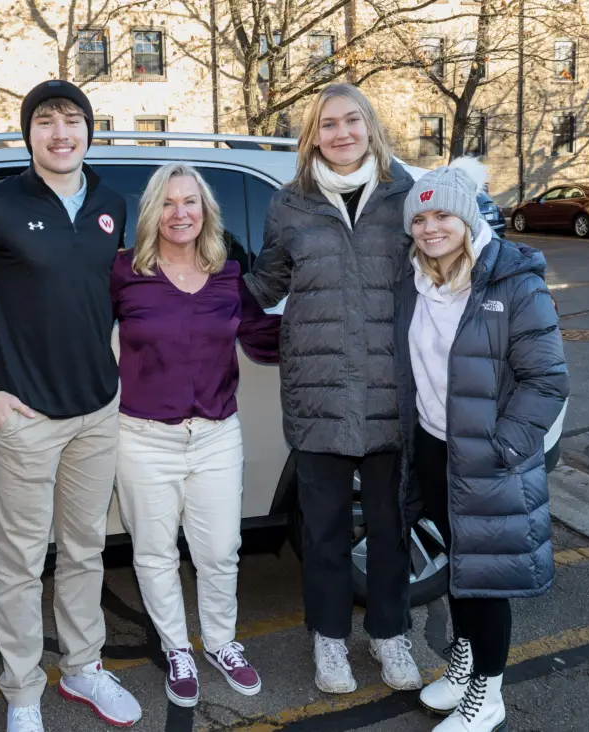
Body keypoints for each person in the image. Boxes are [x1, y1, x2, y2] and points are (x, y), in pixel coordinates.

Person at [0, 80, 141, 732]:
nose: (60, 133)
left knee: (87, 550)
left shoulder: (114, 202)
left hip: (96, 411)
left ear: (90, 130)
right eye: (46, 121)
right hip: (24, 417)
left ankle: (84, 667)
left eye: (72, 121)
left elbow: (116, 299)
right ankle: (24, 691)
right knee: (21, 564)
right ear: (28, 133)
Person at [241, 83, 422, 694]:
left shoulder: (407, 197)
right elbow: (264, 285)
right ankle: (329, 640)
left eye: (351, 121)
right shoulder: (289, 205)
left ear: (370, 126)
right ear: (312, 136)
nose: (341, 133)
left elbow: (452, 265)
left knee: (392, 529)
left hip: (392, 394)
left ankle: (391, 635)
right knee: (321, 533)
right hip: (317, 394)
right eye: (327, 124)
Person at [397, 158, 569, 731]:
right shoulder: (416, 281)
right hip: (433, 447)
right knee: (459, 567)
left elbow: (547, 381)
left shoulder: (514, 283)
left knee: (486, 577)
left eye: (443, 214)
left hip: (489, 458)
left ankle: (487, 696)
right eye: (419, 220)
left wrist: (503, 449)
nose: (430, 228)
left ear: (468, 219)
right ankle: (466, 661)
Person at [110, 164, 281, 708]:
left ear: (205, 210)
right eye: (167, 202)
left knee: (221, 550)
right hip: (142, 438)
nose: (179, 213)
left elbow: (266, 339)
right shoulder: (122, 273)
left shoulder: (229, 276)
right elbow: (75, 331)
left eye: (190, 202)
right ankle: (177, 646)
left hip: (215, 436)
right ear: (151, 212)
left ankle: (222, 643)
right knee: (155, 552)